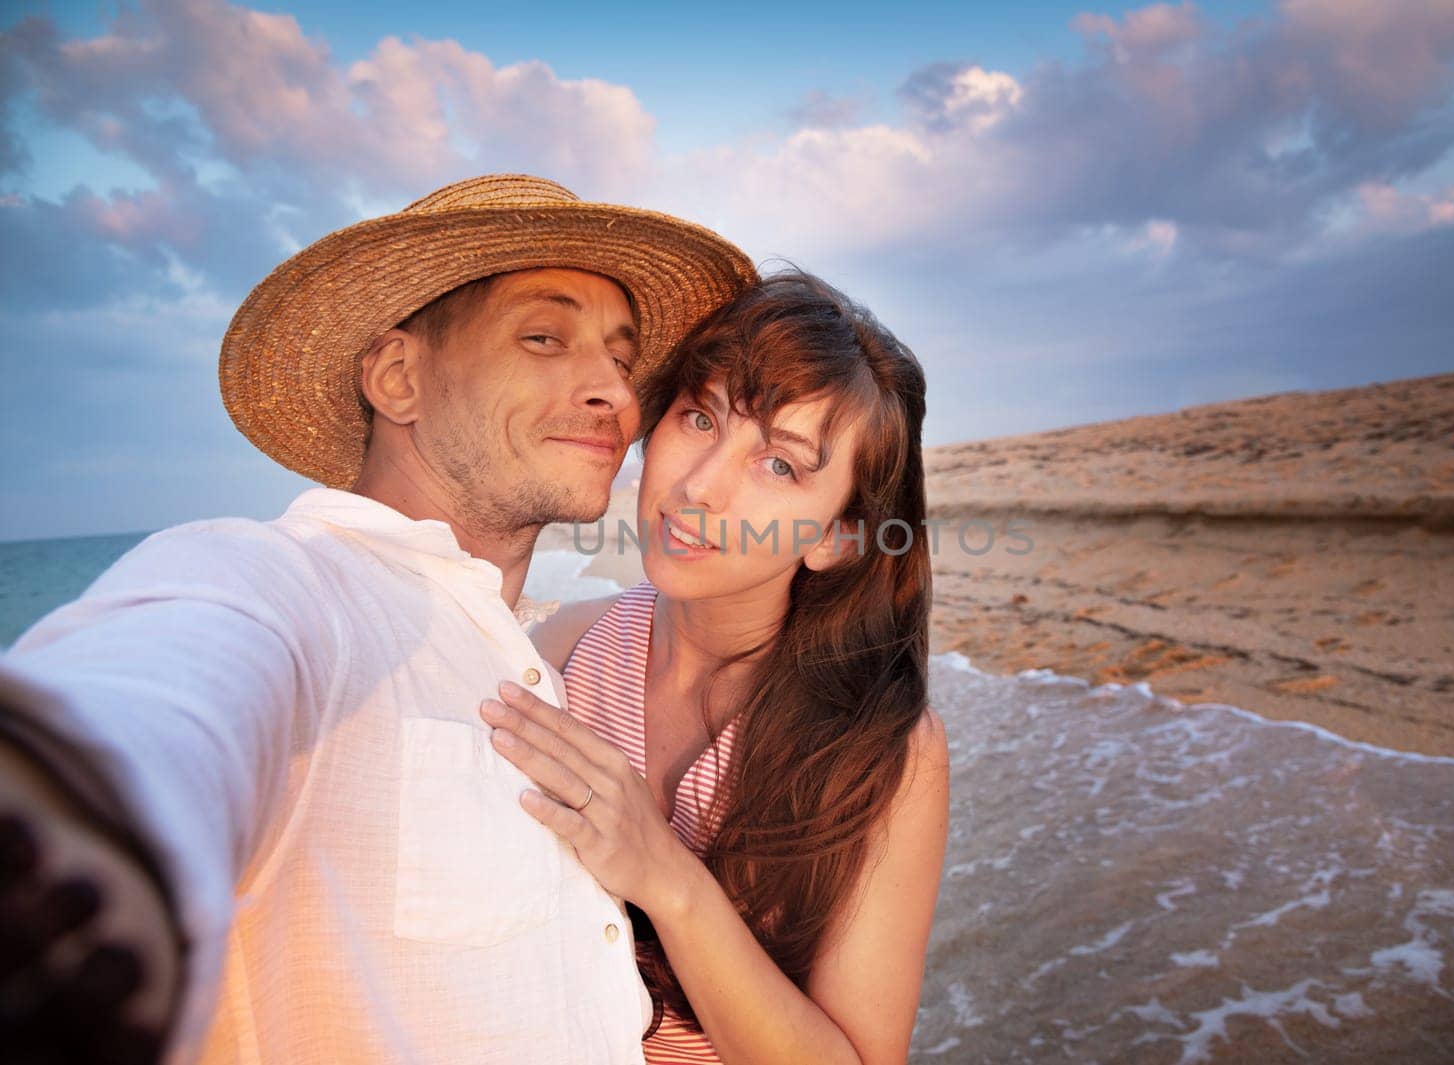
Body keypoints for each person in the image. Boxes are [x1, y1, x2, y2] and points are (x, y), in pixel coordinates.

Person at [0, 173, 755, 1064]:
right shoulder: (287, 583)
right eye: (544, 338)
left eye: (623, 361)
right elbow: (160, 695)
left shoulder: (520, 653)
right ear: (399, 378)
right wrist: (68, 848)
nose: (616, 395)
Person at [477, 272, 950, 1064]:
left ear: (837, 536)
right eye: (700, 418)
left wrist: (666, 876)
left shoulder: (881, 753)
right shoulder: (562, 652)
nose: (698, 487)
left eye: (780, 466)